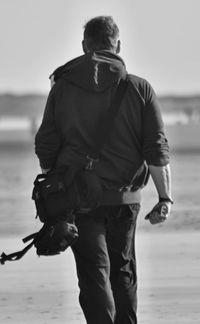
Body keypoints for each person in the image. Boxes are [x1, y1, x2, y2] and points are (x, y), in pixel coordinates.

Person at [35, 16, 173, 324]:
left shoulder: (62, 87)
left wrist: (57, 182)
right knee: (122, 270)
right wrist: (165, 198)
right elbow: (156, 148)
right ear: (118, 46)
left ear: (84, 46)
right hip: (126, 200)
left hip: (79, 198)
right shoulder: (140, 88)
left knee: (94, 274)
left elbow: (46, 144)